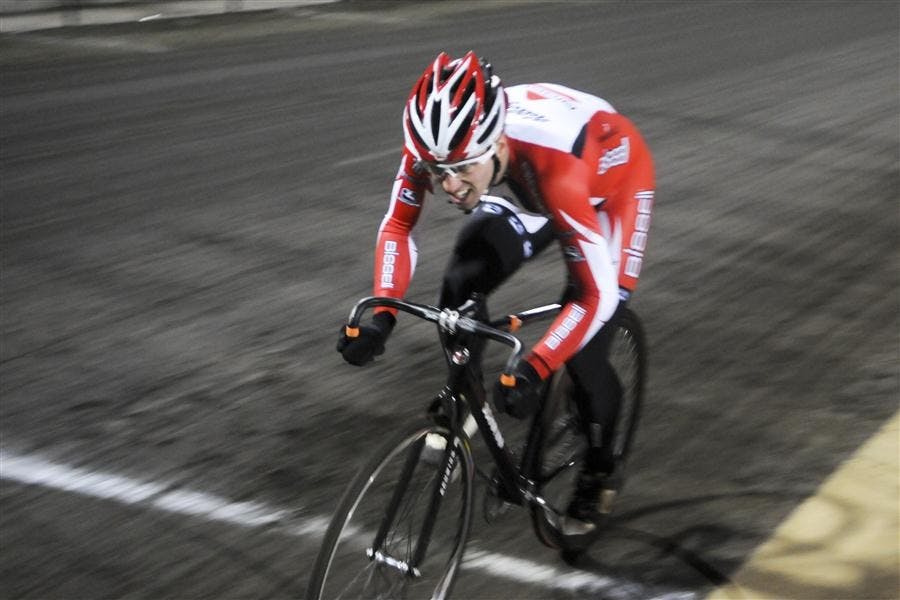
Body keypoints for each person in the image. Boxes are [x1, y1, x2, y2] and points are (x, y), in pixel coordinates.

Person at [337, 51, 655, 528]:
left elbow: (596, 296)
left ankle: (601, 469)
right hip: (524, 176)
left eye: (462, 168)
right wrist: (381, 314)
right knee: (462, 282)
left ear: (494, 142)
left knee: (586, 355)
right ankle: (469, 400)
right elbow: (400, 226)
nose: (449, 185)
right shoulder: (439, 146)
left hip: (608, 186)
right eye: (436, 170)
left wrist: (536, 366)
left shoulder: (553, 170)